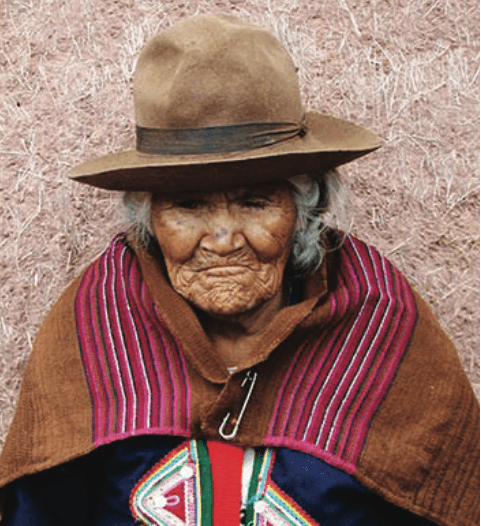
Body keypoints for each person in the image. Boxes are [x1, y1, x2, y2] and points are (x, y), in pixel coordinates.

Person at [0, 14, 478, 526]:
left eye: (254, 202)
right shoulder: (96, 329)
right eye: (188, 205)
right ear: (149, 220)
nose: (223, 238)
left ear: (303, 212)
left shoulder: (381, 328)